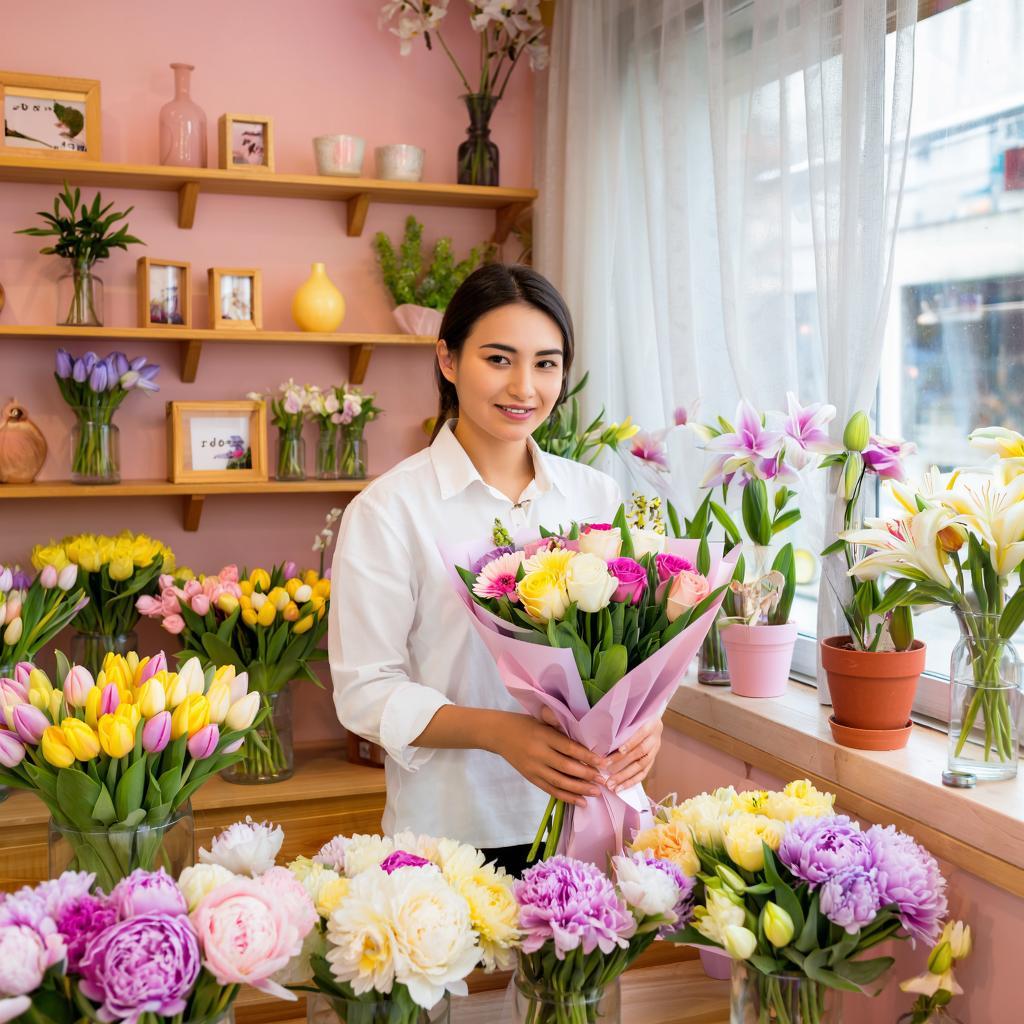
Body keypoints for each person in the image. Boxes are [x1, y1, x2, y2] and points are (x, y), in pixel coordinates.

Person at [328, 263, 663, 876]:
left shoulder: (598, 497)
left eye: (546, 363)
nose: (525, 388)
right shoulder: (388, 510)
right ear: (448, 361)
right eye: (499, 359)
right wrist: (500, 733)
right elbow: (364, 692)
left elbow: (639, 652)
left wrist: (650, 726)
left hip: (594, 819)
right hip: (455, 833)